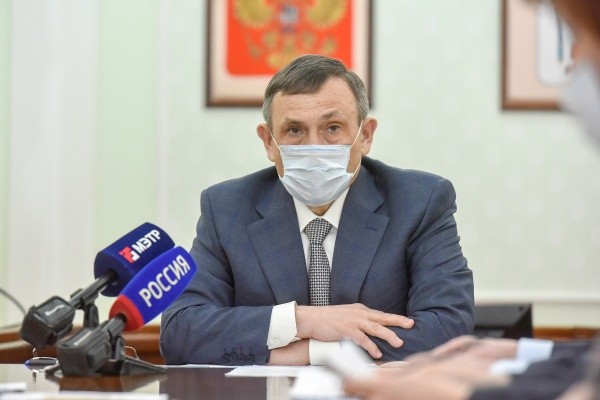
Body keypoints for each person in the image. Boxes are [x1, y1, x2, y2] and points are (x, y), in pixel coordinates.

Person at [343, 0, 600, 398]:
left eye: (579, 36)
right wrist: (525, 353)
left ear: (366, 134)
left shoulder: (422, 199)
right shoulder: (238, 200)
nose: (573, 62)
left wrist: (466, 395)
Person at [159, 54, 475, 366]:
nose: (315, 148)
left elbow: (448, 328)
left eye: (333, 128)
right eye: (295, 131)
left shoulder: (420, 202)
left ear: (365, 136)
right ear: (268, 142)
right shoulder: (227, 208)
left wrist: (313, 353)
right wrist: (304, 320)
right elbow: (181, 331)